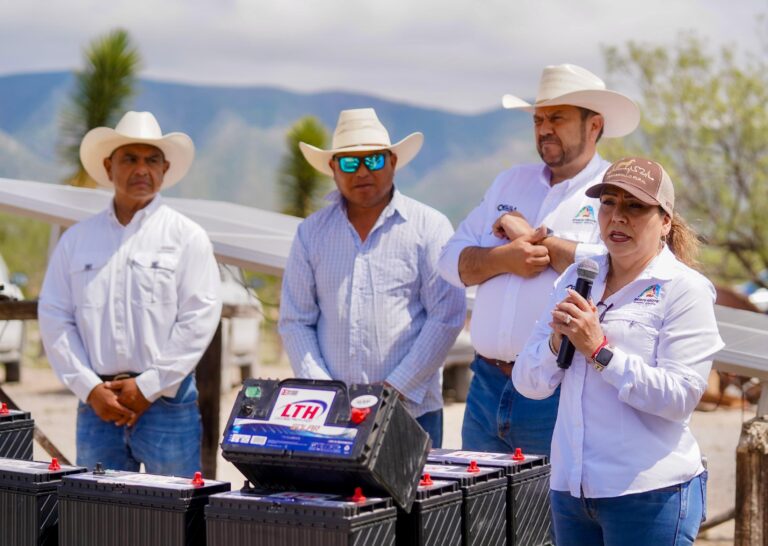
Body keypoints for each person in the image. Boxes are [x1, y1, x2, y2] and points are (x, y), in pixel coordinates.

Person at [512, 157, 724, 545]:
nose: (617, 217)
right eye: (608, 203)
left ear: (665, 222)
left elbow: (681, 397)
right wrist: (559, 342)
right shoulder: (578, 276)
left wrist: (600, 351)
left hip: (649, 494)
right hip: (571, 490)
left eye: (635, 206)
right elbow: (528, 383)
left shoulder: (684, 289)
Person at [437, 64, 640, 455]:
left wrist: (531, 239)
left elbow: (617, 269)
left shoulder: (613, 193)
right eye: (539, 119)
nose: (544, 128)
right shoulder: (509, 181)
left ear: (594, 125)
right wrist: (506, 258)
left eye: (557, 118)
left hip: (560, 388)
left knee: (545, 512)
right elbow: (449, 262)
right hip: (485, 383)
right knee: (480, 514)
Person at [39, 111, 222, 477]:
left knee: (175, 517)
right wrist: (90, 389)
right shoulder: (77, 240)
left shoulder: (187, 236)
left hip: (166, 403)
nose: (142, 169)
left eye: (152, 160)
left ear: (165, 169)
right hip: (97, 404)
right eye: (130, 159)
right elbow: (55, 316)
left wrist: (149, 386)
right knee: (97, 519)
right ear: (109, 167)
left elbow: (199, 316)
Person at [278, 108, 466, 447]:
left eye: (374, 161)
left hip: (413, 413)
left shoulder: (429, 227)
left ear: (392, 161)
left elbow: (446, 316)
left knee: (417, 502)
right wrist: (325, 394)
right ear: (333, 169)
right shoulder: (311, 234)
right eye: (350, 163)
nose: (362, 171)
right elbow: (295, 321)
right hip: (332, 419)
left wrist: (395, 389)